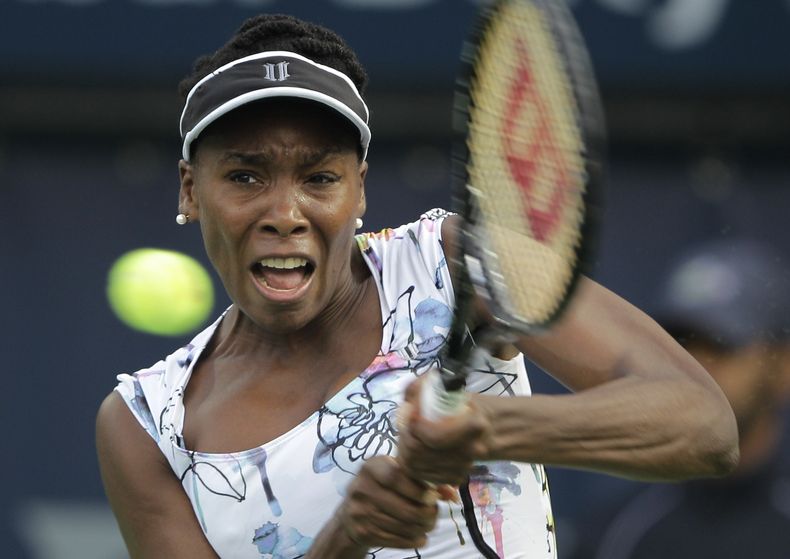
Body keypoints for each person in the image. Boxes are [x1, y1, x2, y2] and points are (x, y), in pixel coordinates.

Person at [94, 14, 738, 559]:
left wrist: (488, 425)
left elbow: (704, 427)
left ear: (360, 190)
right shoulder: (146, 426)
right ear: (189, 189)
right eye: (245, 177)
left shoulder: (453, 262)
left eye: (319, 178)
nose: (285, 214)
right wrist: (345, 538)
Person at [571, 238, 790, 559]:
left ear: (782, 366)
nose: (695, 367)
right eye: (681, 345)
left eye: (721, 345)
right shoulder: (614, 533)